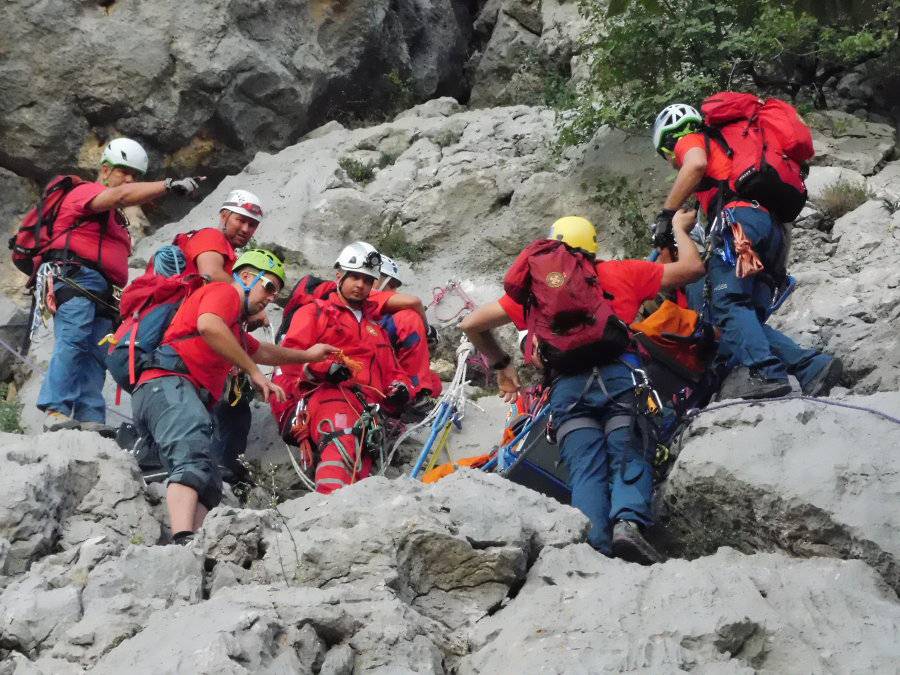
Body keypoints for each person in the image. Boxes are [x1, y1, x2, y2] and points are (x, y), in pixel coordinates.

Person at [460, 214, 705, 564]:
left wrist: (502, 366)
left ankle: (595, 544)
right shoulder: (620, 272)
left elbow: (471, 324)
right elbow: (693, 269)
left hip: (567, 390)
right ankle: (628, 524)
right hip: (621, 378)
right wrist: (679, 228)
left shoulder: (533, 294)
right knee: (629, 448)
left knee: (585, 468)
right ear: (591, 248)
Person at [131, 249, 335, 543]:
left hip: (176, 391)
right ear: (247, 277)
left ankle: (196, 541)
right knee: (190, 454)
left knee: (208, 475)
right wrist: (253, 372)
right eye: (268, 287)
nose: (271, 297)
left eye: (276, 292)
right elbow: (208, 326)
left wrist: (306, 355)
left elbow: (262, 351)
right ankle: (182, 539)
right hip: (168, 384)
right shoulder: (224, 293)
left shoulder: (234, 327)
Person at [651, 103, 842, 400]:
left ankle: (767, 372)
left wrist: (666, 214)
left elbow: (695, 164)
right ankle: (811, 366)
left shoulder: (691, 139)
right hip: (775, 232)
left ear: (668, 143)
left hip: (741, 226)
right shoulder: (732, 151)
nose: (674, 161)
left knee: (726, 302)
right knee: (734, 320)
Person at [37, 137, 203, 433]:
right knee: (73, 340)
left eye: (134, 175)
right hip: (75, 277)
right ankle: (56, 408)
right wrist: (167, 185)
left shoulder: (113, 218)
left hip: (102, 290)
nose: (129, 179)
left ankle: (90, 415)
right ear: (104, 169)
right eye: (123, 171)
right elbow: (123, 195)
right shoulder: (84, 192)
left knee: (97, 352)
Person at [271, 242, 413, 494]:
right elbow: (290, 358)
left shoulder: (375, 328)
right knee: (341, 439)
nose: (360, 285)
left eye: (368, 280)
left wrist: (402, 389)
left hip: (366, 409)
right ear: (339, 275)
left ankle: (344, 520)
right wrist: (323, 368)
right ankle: (327, 510)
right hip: (327, 397)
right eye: (355, 277)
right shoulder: (314, 313)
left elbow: (393, 372)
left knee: (361, 466)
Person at [177, 189, 266, 483]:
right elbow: (211, 274)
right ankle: (219, 474)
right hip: (191, 335)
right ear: (224, 215)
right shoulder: (210, 238)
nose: (246, 229)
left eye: (252, 225)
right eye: (241, 220)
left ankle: (219, 472)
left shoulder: (231, 256)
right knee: (230, 409)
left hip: (199, 334)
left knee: (232, 407)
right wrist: (247, 303)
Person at [369, 254, 442, 400]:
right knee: (409, 318)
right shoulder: (369, 293)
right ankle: (417, 395)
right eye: (392, 284)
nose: (394, 290)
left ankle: (407, 392)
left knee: (434, 382)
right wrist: (427, 331)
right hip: (370, 366)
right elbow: (414, 302)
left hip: (379, 365)